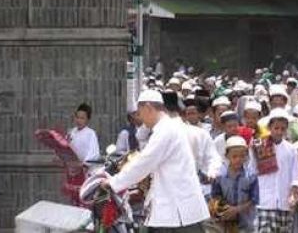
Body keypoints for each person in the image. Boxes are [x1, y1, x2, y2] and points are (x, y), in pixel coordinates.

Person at [103, 89, 210, 230]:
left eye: (140, 113)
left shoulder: (165, 130)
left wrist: (113, 183)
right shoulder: (167, 127)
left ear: (148, 108)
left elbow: (144, 163)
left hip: (178, 209)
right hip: (176, 207)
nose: (140, 118)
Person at [250, 108, 298, 233]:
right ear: (269, 127)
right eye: (276, 128)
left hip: (284, 201)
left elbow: (295, 175)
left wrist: (293, 193)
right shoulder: (258, 146)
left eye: (283, 129)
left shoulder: (291, 149)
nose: (279, 132)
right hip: (264, 200)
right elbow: (252, 170)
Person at [209, 136, 259, 233]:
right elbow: (215, 196)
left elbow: (254, 200)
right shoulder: (220, 176)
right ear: (227, 156)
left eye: (242, 156)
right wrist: (224, 210)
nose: (238, 159)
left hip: (247, 224)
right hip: (225, 224)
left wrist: (236, 210)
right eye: (234, 156)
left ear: (246, 156)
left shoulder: (251, 176)